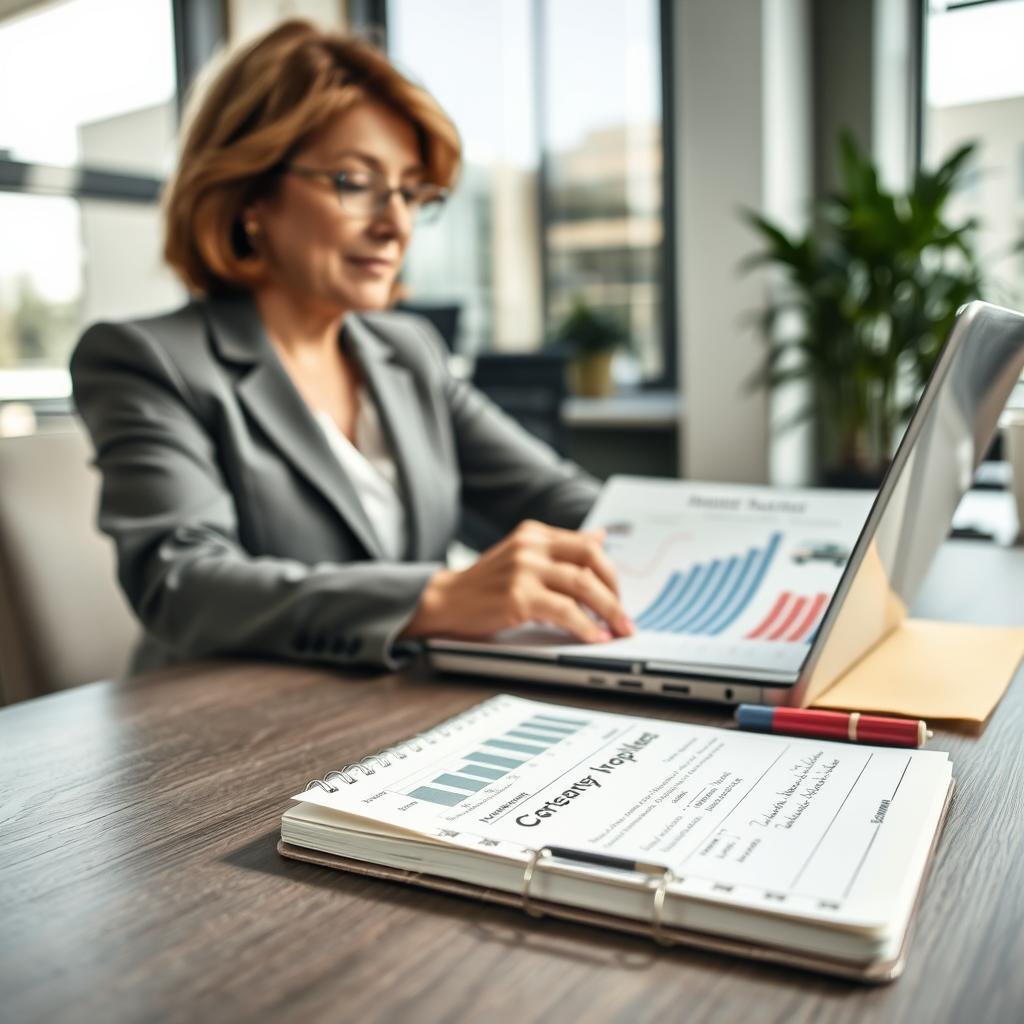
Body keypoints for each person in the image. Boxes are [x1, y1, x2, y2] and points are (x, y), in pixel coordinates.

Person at [71, 20, 632, 674]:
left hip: (391, 708)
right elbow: (184, 585)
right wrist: (437, 596)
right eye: (354, 181)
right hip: (224, 733)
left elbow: (570, 503)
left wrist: (741, 540)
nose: (396, 223)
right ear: (251, 194)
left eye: (412, 191)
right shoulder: (145, 359)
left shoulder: (407, 352)